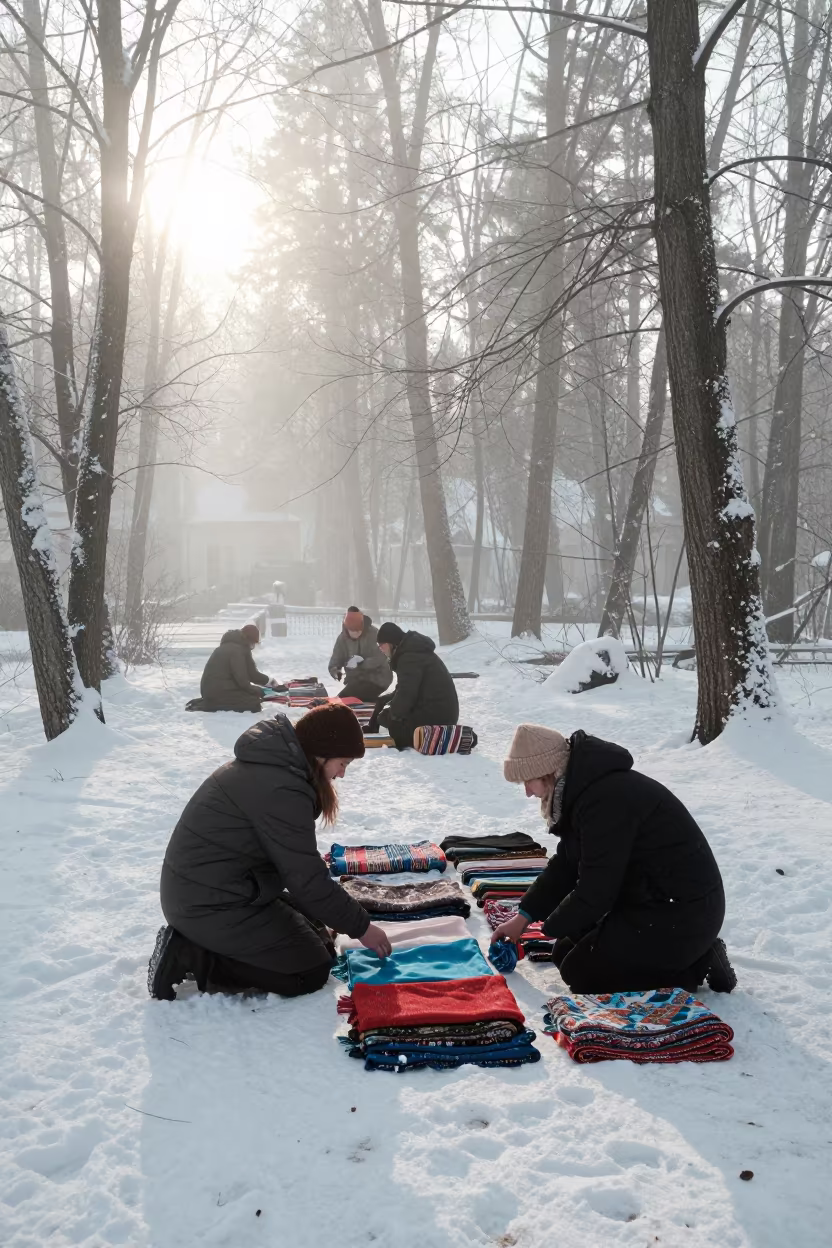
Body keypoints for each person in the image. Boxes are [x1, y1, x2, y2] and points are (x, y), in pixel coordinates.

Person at [148, 703, 393, 999]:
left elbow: (297, 865)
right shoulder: (281, 789)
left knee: (320, 936)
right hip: (206, 902)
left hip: (222, 888)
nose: (341, 773)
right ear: (320, 753)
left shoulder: (277, 770)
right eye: (342, 763)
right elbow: (306, 879)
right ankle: (190, 955)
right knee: (309, 970)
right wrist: (363, 928)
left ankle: (204, 945)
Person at [492, 724, 736, 994]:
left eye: (529, 780)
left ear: (548, 772)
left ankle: (698, 961)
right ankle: (684, 954)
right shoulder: (584, 792)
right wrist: (523, 919)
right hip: (650, 902)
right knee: (564, 952)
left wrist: (546, 927)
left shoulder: (604, 801)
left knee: (583, 973)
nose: (527, 792)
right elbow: (566, 864)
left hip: (683, 913)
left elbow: (597, 891)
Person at [368, 622, 459, 750]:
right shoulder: (411, 652)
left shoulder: (409, 658)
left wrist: (391, 716)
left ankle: (434, 737)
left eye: (381, 645)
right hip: (441, 712)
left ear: (391, 643)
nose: (380, 649)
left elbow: (406, 693)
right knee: (384, 710)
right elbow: (403, 690)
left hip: (438, 716)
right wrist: (382, 702)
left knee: (390, 723)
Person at [195, 624, 273, 713]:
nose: (253, 646)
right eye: (253, 643)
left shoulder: (236, 647)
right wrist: (258, 691)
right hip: (219, 692)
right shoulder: (237, 651)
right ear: (248, 639)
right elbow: (242, 681)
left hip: (211, 690)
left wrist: (271, 682)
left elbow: (253, 674)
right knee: (254, 703)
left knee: (253, 697)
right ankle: (212, 703)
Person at [328, 607, 392, 702]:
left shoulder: (375, 634)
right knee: (345, 698)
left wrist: (361, 663)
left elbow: (381, 656)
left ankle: (374, 705)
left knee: (346, 699)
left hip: (378, 678)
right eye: (353, 631)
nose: (356, 633)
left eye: (358, 630)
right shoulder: (342, 639)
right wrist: (336, 672)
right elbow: (335, 661)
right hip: (355, 681)